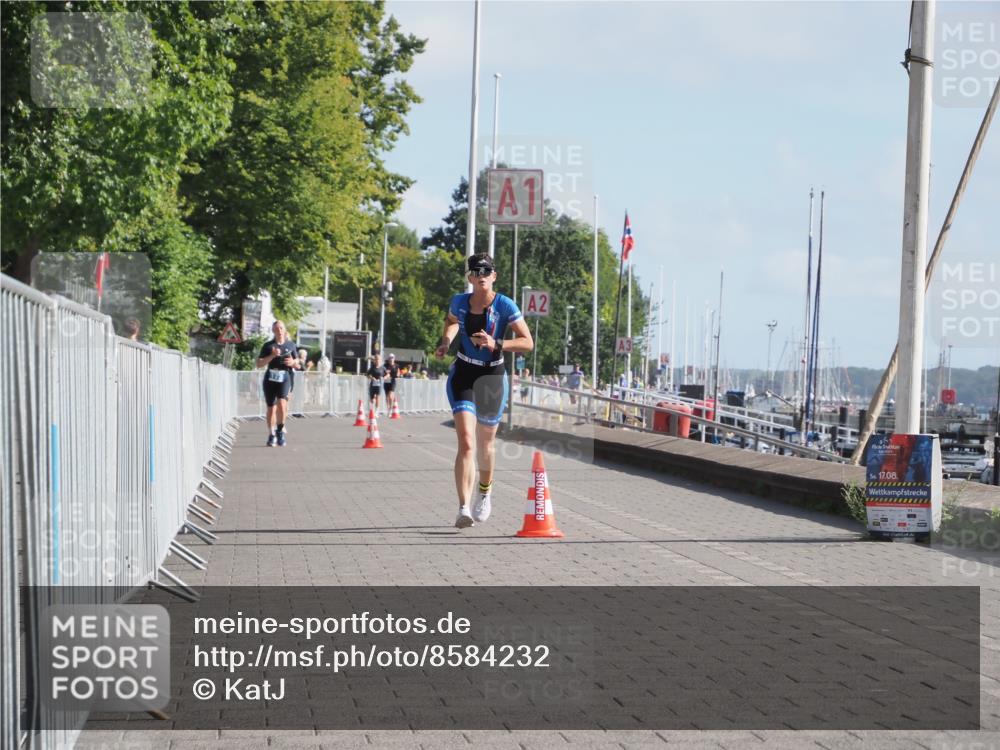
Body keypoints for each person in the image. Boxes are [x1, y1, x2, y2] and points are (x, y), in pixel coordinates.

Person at [434, 253, 533, 528]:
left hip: (491, 376)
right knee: (466, 441)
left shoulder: (504, 305)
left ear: (494, 276)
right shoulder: (460, 301)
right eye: (476, 272)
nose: (481, 276)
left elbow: (527, 342)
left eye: (486, 271)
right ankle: (463, 507)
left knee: (486, 443)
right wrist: (445, 342)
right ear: (470, 278)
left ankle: (485, 491)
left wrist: (497, 343)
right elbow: (452, 321)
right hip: (464, 372)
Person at [256, 320, 300, 447]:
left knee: (282, 403)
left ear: (285, 330)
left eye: (281, 328)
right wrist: (271, 356)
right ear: (273, 331)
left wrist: (293, 362)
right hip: (270, 378)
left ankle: (280, 431)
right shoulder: (268, 346)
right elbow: (259, 364)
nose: (279, 331)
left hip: (284, 377)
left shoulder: (291, 345)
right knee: (271, 408)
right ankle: (271, 434)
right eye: (276, 329)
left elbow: (297, 362)